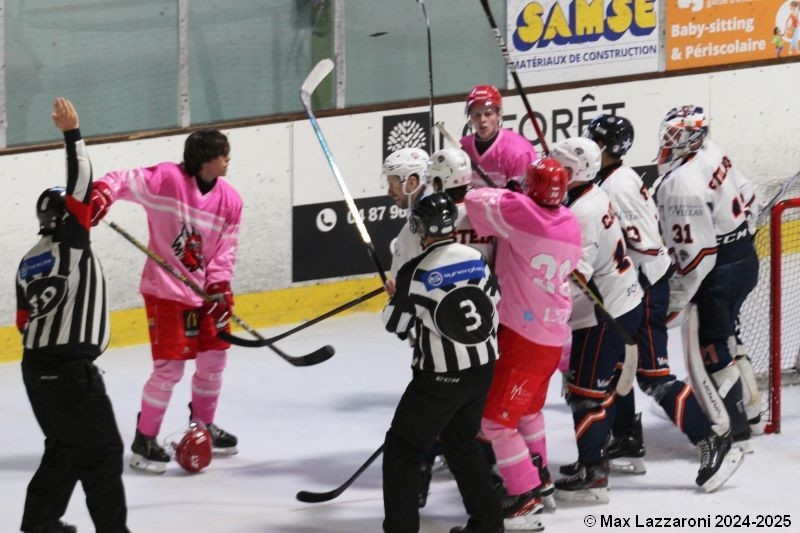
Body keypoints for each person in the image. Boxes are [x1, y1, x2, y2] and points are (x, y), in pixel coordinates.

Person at [582, 113, 744, 491]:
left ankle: (712, 439)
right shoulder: (613, 179)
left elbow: (644, 246)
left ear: (603, 147)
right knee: (617, 364)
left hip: (642, 290)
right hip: (632, 289)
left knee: (653, 378)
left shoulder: (616, 187)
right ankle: (626, 437)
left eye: (592, 140)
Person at [90, 127, 243, 473]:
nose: (228, 159)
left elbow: (225, 249)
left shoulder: (231, 200)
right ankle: (145, 440)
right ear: (206, 159)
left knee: (214, 360)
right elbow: (121, 179)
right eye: (223, 154)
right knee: (169, 369)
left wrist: (219, 286)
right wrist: (102, 194)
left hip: (206, 293)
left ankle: (202, 427)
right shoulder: (167, 180)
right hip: (166, 292)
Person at [16, 98, 129, 532]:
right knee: (102, 454)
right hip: (68, 371)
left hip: (35, 367)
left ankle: (40, 524)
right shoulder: (73, 242)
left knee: (65, 447)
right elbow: (81, 181)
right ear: (66, 217)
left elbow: (23, 322)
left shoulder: (28, 259)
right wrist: (72, 134)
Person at [465, 157, 582, 530]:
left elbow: (474, 200)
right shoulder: (570, 222)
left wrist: (509, 193)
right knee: (529, 411)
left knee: (495, 423)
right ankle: (541, 477)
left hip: (522, 336)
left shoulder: (521, 212)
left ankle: (524, 495)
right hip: (553, 334)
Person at [382, 192, 503, 533]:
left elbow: (396, 325)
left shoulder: (415, 271)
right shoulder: (476, 258)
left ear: (421, 228)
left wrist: (395, 297)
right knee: (460, 442)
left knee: (402, 449)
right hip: (483, 367)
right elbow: (495, 298)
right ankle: (488, 524)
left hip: (440, 378)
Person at [654, 104, 759, 453]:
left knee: (712, 347)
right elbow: (749, 195)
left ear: (692, 136)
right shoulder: (712, 151)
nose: (668, 141)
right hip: (744, 258)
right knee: (730, 335)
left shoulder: (680, 184)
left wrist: (678, 296)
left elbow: (697, 255)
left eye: (675, 135)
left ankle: (736, 428)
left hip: (717, 274)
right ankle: (753, 411)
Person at [549, 137, 644, 504]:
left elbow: (578, 278)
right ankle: (600, 456)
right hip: (623, 301)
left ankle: (593, 475)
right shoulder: (593, 195)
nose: (554, 171)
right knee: (600, 389)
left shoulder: (581, 213)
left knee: (585, 394)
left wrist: (549, 310)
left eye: (561, 167)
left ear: (576, 171)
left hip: (602, 314)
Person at [459, 85, 539, 189]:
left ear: (499, 115)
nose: (482, 120)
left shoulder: (519, 152)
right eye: (477, 115)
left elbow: (525, 196)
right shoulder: (462, 149)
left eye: (488, 114)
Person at [382, 146, 430, 289]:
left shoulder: (421, 222)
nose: (389, 192)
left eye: (392, 185)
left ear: (412, 182)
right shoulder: (421, 206)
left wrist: (399, 292)